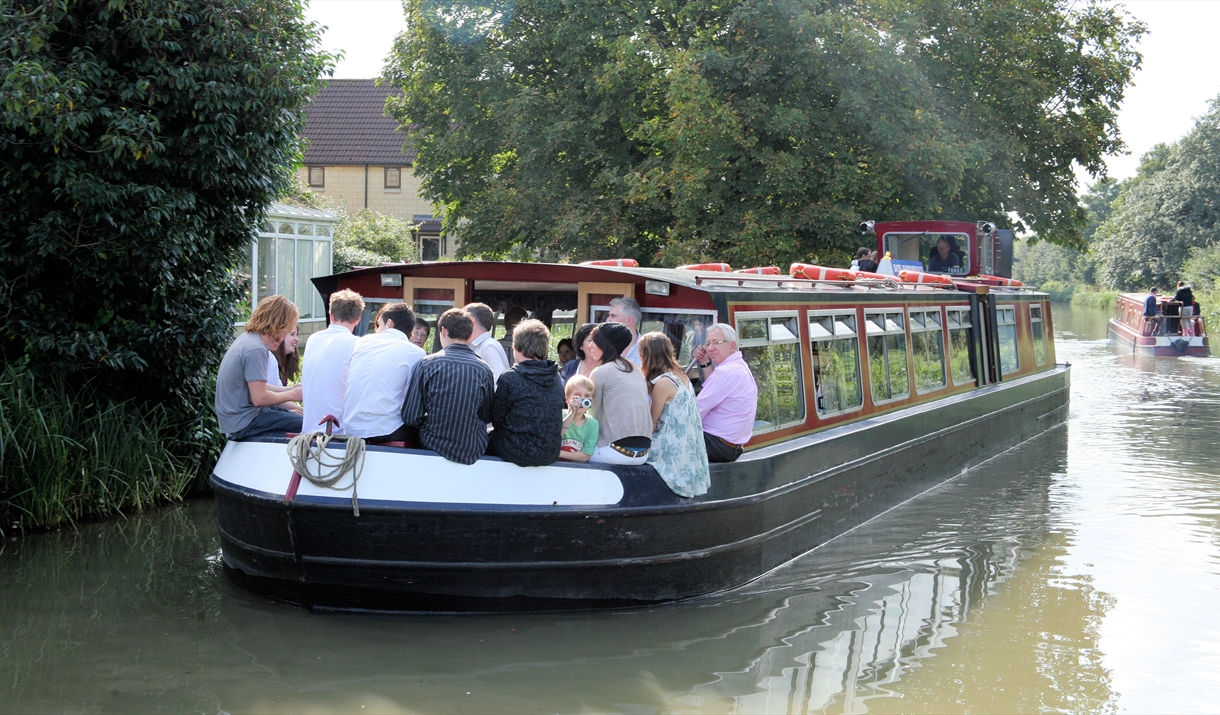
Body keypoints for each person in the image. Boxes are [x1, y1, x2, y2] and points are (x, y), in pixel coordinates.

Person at [400, 308, 495, 464]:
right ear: (470, 335)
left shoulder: (426, 365)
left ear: (443, 331)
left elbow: (410, 416)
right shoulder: (484, 369)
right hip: (472, 450)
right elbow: (486, 416)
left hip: (431, 446)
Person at [214, 294, 303, 441]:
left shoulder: (247, 339)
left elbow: (258, 387)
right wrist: (294, 395)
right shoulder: (256, 349)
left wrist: (290, 389)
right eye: (287, 329)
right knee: (306, 425)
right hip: (245, 422)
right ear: (278, 324)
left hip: (239, 418)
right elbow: (260, 398)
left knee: (297, 415)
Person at [342, 302, 426, 443]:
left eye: (378, 325)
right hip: (385, 430)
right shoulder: (416, 353)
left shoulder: (363, 342)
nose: (377, 330)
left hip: (350, 426)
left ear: (389, 323)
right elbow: (412, 399)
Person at [639, 332, 710, 497]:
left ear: (646, 356)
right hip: (686, 446)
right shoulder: (681, 376)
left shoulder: (663, 383)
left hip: (669, 447)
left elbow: (651, 422)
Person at [489, 319, 566, 466]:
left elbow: (497, 419)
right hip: (549, 452)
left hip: (514, 450)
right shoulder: (555, 376)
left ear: (516, 346)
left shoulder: (510, 377)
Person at [691, 323, 759, 463]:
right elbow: (716, 389)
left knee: (662, 441)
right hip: (731, 447)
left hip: (717, 445)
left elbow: (695, 411)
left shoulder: (726, 372)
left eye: (717, 342)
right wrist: (705, 362)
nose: (710, 348)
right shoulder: (738, 366)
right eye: (708, 343)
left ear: (732, 346)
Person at [587, 323, 653, 465]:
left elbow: (591, 418)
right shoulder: (636, 371)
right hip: (643, 454)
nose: (590, 346)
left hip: (615, 452)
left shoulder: (600, 372)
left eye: (594, 341)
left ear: (605, 344)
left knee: (573, 454)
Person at [301, 289, 364, 432]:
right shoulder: (357, 344)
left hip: (308, 430)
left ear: (331, 315)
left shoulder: (314, 339)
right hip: (337, 432)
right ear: (358, 319)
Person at [465, 302, 511, 383]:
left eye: (464, 319)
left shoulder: (489, 346)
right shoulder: (481, 345)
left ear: (472, 321)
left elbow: (497, 382)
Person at [558, 375, 599, 463]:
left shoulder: (592, 424)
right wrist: (572, 414)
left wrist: (557, 453)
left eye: (587, 396)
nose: (582, 399)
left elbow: (585, 456)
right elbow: (555, 437)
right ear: (567, 399)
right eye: (577, 395)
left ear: (592, 400)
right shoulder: (558, 415)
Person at [606, 297, 643, 366]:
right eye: (609, 316)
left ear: (628, 320)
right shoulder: (602, 346)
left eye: (613, 316)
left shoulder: (648, 349)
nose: (607, 320)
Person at [266, 325, 300, 390]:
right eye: (292, 334)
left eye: (297, 335)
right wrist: (292, 391)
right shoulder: (269, 360)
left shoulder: (286, 362)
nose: (297, 339)